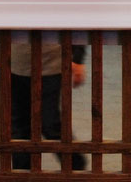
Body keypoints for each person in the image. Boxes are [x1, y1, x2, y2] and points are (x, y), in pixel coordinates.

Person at [10, 41, 86, 170]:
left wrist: (78, 57)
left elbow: (78, 21)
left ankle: (76, 167)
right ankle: (22, 174)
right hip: (15, 64)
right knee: (19, 128)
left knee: (50, 124)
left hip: (50, 66)